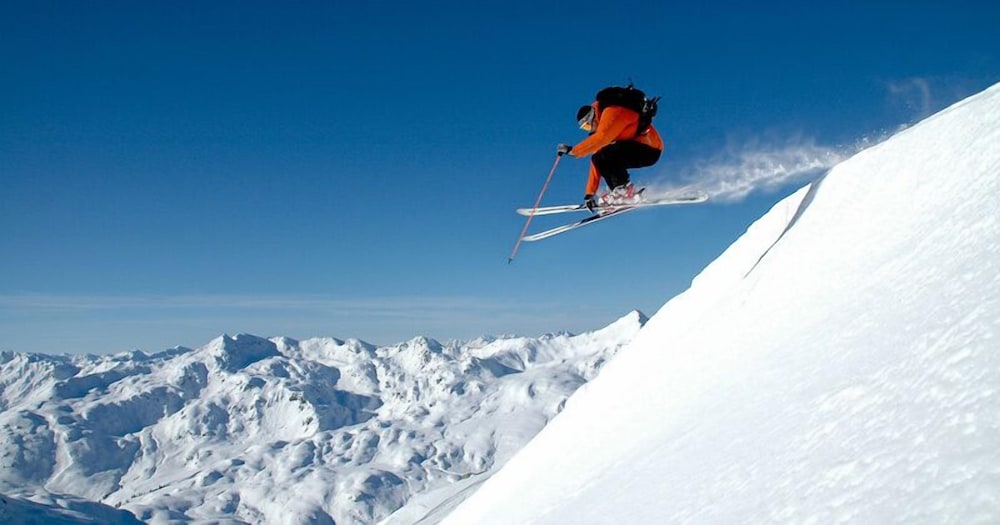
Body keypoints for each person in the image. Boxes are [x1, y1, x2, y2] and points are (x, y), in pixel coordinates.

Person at [556, 91, 664, 212]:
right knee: (599, 158)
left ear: (592, 117)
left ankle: (624, 191)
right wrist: (589, 194)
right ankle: (618, 192)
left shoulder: (612, 112)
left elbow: (602, 138)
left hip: (650, 149)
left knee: (608, 152)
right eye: (585, 128)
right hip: (635, 147)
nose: (589, 129)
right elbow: (596, 160)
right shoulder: (603, 126)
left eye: (587, 126)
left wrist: (573, 151)